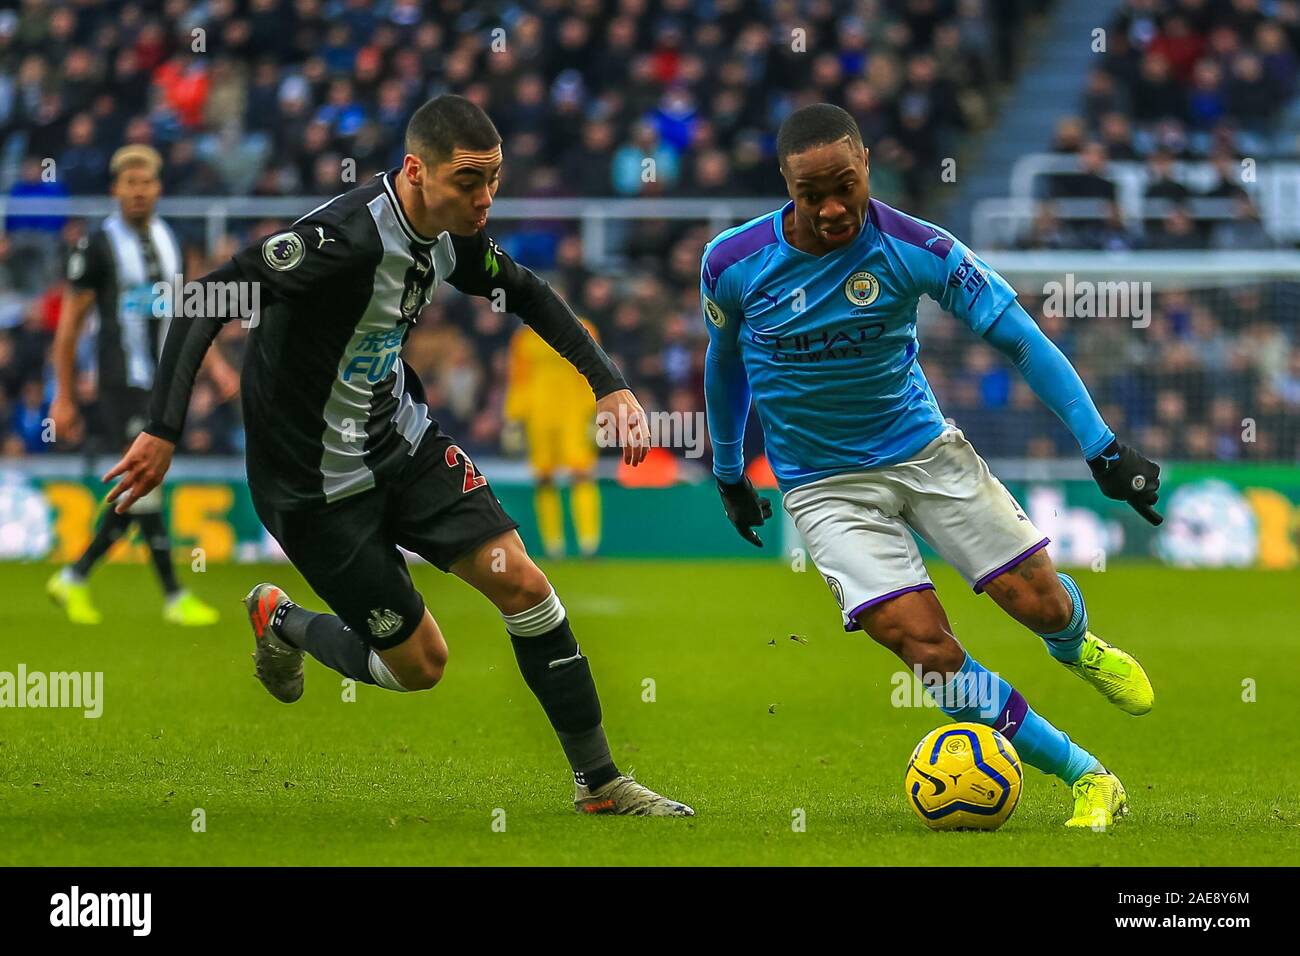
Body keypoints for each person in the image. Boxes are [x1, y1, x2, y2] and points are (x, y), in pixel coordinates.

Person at [105, 95, 693, 817]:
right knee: (421, 666)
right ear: (415, 171)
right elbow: (205, 299)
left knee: (527, 588)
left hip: (402, 443)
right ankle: (284, 622)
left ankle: (599, 784)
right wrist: (163, 428)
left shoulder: (451, 233)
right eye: (469, 181)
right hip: (314, 485)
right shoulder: (342, 238)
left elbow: (527, 292)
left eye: (495, 179)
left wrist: (609, 386)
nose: (485, 199)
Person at [702, 104, 1161, 829]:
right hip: (823, 488)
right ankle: (1087, 777)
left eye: (843, 186)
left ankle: (1076, 646)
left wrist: (1102, 446)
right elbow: (724, 363)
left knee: (1036, 602)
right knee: (923, 644)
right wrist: (729, 470)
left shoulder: (922, 249)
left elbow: (1021, 340)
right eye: (809, 194)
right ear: (785, 187)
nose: (829, 209)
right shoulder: (731, 264)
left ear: (867, 167)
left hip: (923, 454)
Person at [47, 144, 226, 627]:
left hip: (162, 384)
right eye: (130, 183)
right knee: (143, 483)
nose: (139, 191)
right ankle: (170, 595)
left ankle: (76, 577)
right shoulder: (97, 247)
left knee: (145, 486)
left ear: (159, 187)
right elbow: (70, 326)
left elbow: (187, 316)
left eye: (146, 182)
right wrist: (62, 396)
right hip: (120, 382)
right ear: (115, 190)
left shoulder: (171, 240)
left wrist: (218, 369)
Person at [503, 317, 603, 558]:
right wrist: (514, 417)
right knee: (544, 478)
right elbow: (519, 378)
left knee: (581, 474)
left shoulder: (584, 327)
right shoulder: (524, 338)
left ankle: (589, 544)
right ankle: (553, 547)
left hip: (575, 412)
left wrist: (595, 412)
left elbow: (595, 367)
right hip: (539, 414)